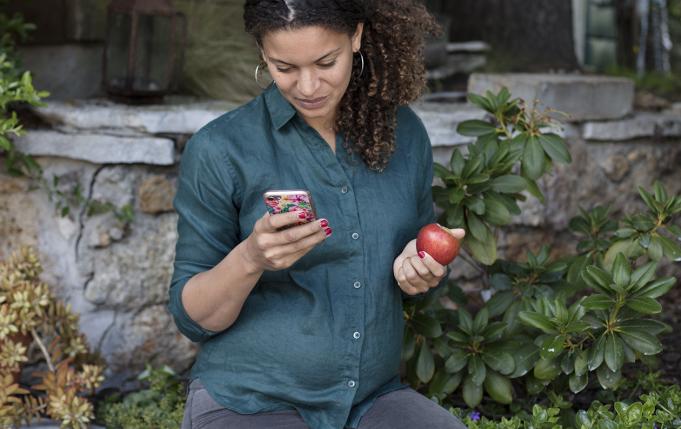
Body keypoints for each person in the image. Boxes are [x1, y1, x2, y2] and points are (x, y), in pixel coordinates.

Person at [169, 0, 467, 428]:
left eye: (326, 62)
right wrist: (251, 258)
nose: (308, 86)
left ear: (356, 38)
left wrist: (419, 268)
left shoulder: (405, 135)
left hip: (371, 399)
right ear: (262, 52)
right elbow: (193, 319)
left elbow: (422, 256)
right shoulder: (221, 149)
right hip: (251, 400)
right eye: (284, 67)